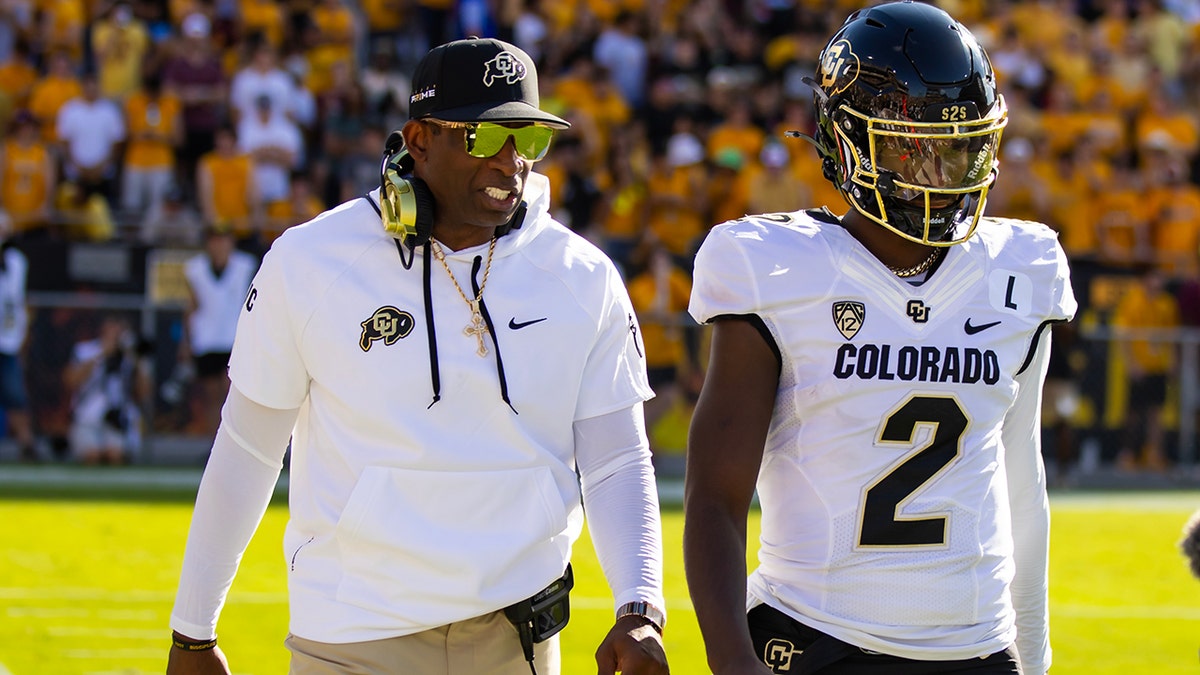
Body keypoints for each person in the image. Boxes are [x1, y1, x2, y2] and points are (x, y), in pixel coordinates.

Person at [167, 37, 669, 675]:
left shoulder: (583, 274)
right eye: (487, 138)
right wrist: (193, 632)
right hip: (352, 637)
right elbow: (249, 448)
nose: (512, 162)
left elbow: (617, 457)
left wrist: (640, 607)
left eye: (530, 139)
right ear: (420, 138)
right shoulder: (310, 261)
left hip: (519, 640)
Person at [683, 3, 1076, 675]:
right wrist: (732, 663)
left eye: (958, 148)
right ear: (846, 143)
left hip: (976, 646)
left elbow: (1020, 483)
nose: (939, 174)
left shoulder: (1023, 267)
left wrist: (1032, 658)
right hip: (817, 637)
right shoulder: (773, 264)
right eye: (911, 147)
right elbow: (715, 498)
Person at [179, 222, 259, 438]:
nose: (219, 245)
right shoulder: (195, 269)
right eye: (214, 240)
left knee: (231, 394)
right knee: (211, 396)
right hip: (206, 337)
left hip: (233, 338)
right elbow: (192, 306)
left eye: (223, 239)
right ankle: (213, 443)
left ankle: (235, 441)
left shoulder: (245, 266)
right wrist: (185, 340)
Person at [0, 210, 37, 462]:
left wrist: (23, 333)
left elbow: (19, 302)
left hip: (8, 339)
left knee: (16, 394)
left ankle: (27, 444)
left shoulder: (16, 262)